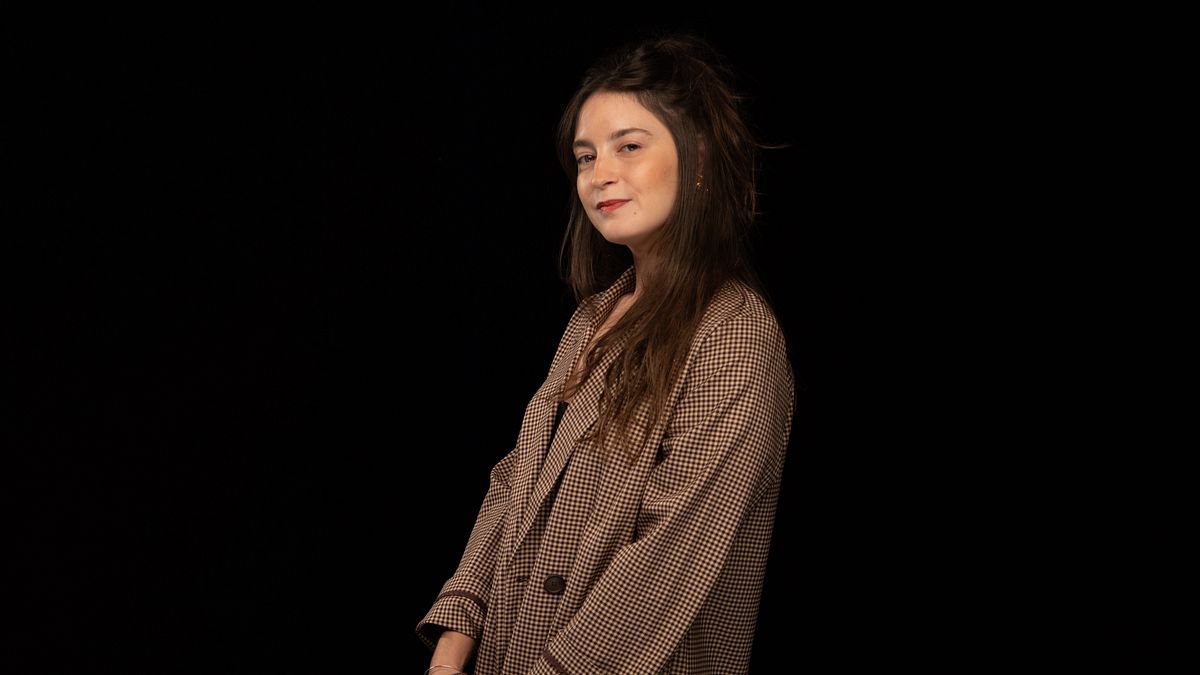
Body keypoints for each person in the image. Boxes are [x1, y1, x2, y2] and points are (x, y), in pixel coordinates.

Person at [416, 30, 795, 675]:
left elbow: (666, 562)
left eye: (629, 146)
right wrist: (454, 641)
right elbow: (516, 482)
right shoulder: (593, 317)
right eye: (586, 156)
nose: (600, 175)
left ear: (698, 156)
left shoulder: (735, 335)